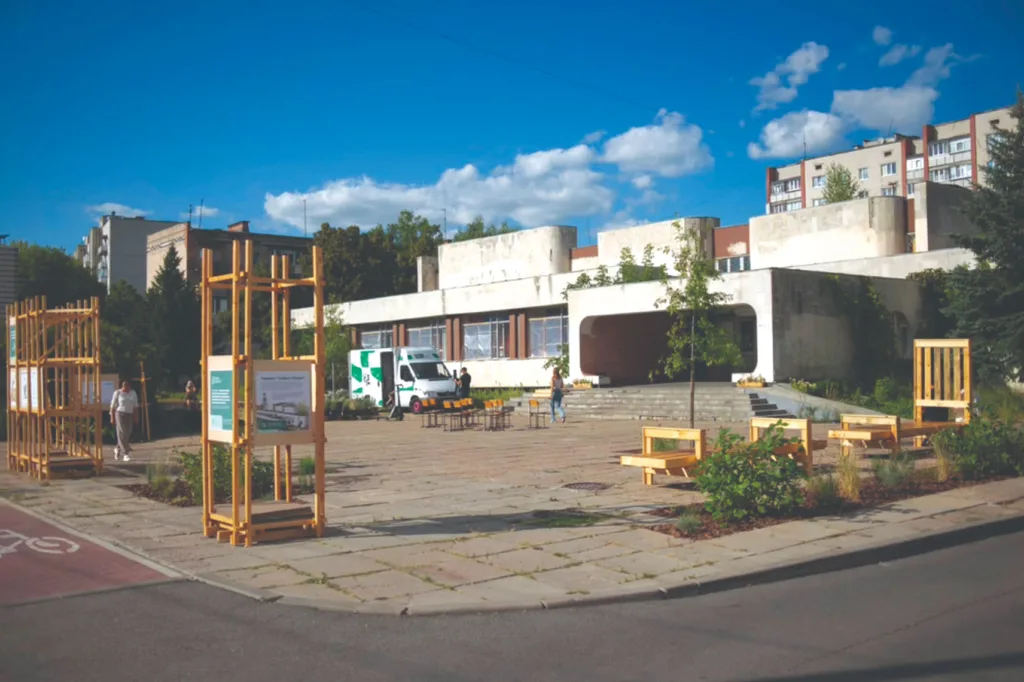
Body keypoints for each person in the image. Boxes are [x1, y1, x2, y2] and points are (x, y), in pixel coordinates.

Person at [110, 380, 139, 462]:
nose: (126, 388)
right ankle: (125, 453)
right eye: (124, 386)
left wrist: (136, 417)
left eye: (127, 386)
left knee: (128, 432)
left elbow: (136, 406)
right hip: (120, 414)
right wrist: (112, 417)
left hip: (129, 414)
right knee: (122, 432)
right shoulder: (118, 393)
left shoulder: (133, 393)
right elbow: (112, 406)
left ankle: (117, 448)